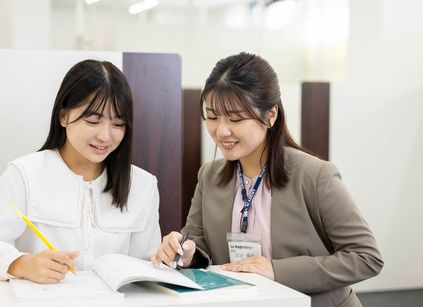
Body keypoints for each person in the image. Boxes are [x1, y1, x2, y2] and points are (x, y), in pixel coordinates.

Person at [151, 52, 383, 307]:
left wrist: (275, 270)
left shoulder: (315, 175)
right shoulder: (209, 176)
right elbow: (198, 247)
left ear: (270, 116)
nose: (221, 131)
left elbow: (366, 257)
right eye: (213, 116)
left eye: (236, 118)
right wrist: (185, 253)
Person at [0, 59, 161, 284]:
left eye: (118, 124)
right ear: (63, 116)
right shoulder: (25, 174)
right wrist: (22, 264)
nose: (105, 136)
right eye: (93, 121)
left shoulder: (142, 185)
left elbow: (148, 267)